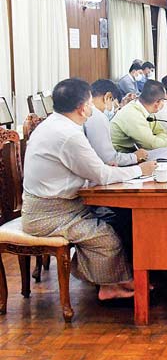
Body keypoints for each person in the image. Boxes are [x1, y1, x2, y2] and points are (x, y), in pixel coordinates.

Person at [21, 78, 156, 301]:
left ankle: (120, 278)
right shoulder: (69, 135)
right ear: (83, 108)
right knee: (105, 236)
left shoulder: (53, 124)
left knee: (114, 220)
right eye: (90, 103)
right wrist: (140, 170)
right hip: (48, 214)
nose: (92, 108)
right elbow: (101, 175)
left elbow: (91, 170)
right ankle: (109, 288)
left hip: (57, 205)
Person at [84, 79, 148, 167]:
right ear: (108, 97)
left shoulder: (85, 112)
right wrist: (135, 157)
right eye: (115, 106)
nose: (114, 111)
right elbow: (109, 159)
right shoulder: (97, 116)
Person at [110, 80, 167, 152]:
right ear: (157, 102)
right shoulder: (132, 114)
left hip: (134, 153)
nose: (164, 103)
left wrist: (162, 140)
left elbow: (161, 132)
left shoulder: (147, 110)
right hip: (120, 156)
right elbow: (150, 144)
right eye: (164, 100)